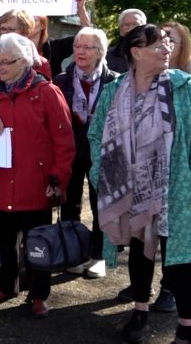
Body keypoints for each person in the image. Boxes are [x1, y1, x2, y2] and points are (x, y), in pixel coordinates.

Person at [88, 24, 191, 343]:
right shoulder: (113, 90)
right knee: (140, 252)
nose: (166, 49)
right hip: (131, 190)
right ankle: (140, 310)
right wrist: (102, 175)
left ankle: (187, 326)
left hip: (176, 190)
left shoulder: (183, 86)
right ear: (136, 52)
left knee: (180, 259)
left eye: (167, 43)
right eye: (157, 45)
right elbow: (95, 137)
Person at [0, 33, 75, 318]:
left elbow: (65, 140)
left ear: (24, 62)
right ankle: (7, 285)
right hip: (1, 183)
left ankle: (39, 294)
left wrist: (59, 179)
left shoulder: (46, 92)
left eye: (7, 62)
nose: (1, 68)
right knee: (5, 242)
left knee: (38, 244)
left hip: (37, 184)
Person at [53, 27, 118, 279]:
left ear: (100, 51)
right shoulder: (61, 80)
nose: (80, 51)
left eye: (87, 47)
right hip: (70, 150)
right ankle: (72, 252)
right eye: (77, 46)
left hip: (103, 152)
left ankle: (98, 256)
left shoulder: (116, 81)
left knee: (101, 204)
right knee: (70, 203)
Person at [0, 9, 51, 86]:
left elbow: (47, 93)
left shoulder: (41, 63)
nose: (5, 33)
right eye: (3, 29)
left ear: (25, 32)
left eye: (11, 29)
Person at [35, 0, 93, 76]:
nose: (28, 23)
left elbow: (87, 36)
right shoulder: (14, 48)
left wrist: (81, 9)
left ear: (42, 25)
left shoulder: (54, 48)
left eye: (34, 20)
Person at [105, 9, 147, 73]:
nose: (131, 28)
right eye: (127, 25)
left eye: (135, 24)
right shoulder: (108, 56)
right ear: (120, 30)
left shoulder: (155, 54)